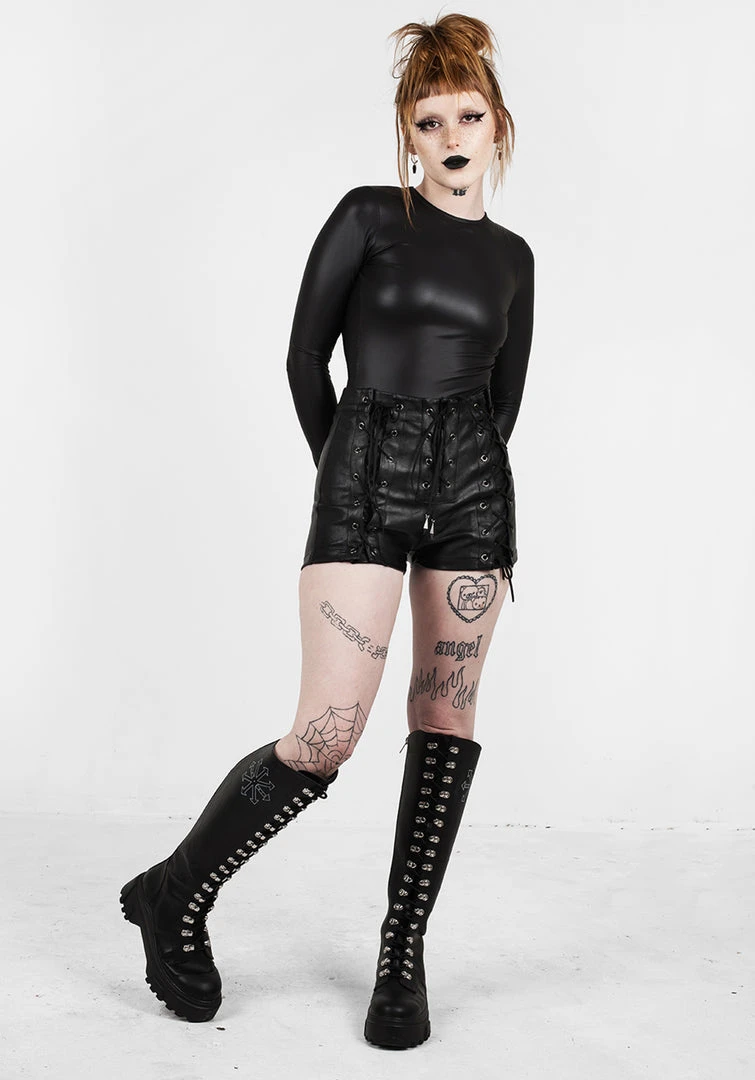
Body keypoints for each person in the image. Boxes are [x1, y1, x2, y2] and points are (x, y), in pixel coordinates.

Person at [120, 12, 535, 1051]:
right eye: (428, 119)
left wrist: (463, 485)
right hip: (363, 473)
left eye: (467, 116)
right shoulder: (369, 215)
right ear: (406, 130)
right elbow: (306, 358)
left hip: (473, 491)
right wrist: (344, 471)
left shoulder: (513, 259)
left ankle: (401, 954)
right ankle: (176, 890)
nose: (449, 136)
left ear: (496, 125)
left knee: (445, 718)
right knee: (326, 733)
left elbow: (502, 400)